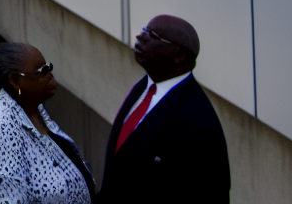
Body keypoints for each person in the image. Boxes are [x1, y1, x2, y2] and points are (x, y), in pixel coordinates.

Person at [98, 15, 229, 204]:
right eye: (144, 30)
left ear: (179, 55)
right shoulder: (142, 88)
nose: (140, 38)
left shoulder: (200, 126)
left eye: (153, 35)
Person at [0, 42, 93, 204]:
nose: (50, 75)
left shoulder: (35, 110)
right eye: (41, 71)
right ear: (15, 81)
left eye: (49, 67)